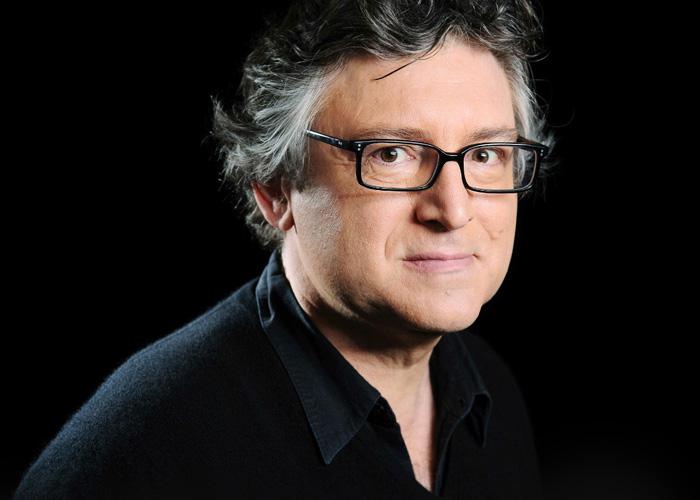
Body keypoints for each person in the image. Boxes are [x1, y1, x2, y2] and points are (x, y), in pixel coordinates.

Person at [14, 0, 557, 498]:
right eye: (391, 154)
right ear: (276, 190)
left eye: (486, 154)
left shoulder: (492, 395)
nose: (453, 210)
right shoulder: (143, 456)